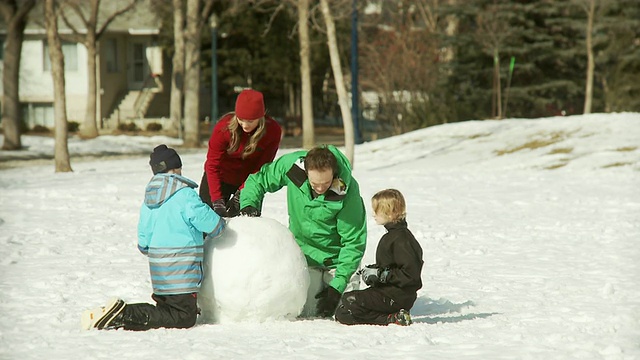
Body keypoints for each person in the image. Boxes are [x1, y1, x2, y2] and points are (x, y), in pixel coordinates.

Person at [81, 144, 225, 331]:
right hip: (181, 272)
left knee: (167, 311)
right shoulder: (185, 195)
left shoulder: (149, 198)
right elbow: (209, 222)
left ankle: (111, 314)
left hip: (159, 272)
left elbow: (144, 241)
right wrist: (221, 225)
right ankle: (124, 313)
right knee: (183, 317)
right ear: (176, 168)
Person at [238, 145, 367, 318]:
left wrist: (338, 286)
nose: (320, 189)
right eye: (315, 184)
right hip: (305, 257)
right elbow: (259, 180)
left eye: (326, 183)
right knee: (305, 312)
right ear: (306, 172)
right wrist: (249, 204)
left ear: (334, 173)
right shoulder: (292, 167)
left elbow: (353, 241)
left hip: (338, 262)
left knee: (343, 312)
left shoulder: (347, 190)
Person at [335, 189, 423, 326]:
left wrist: (382, 275)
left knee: (350, 299)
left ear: (390, 212)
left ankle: (392, 318)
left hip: (397, 296)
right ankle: (392, 317)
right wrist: (373, 272)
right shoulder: (391, 236)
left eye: (377, 210)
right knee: (342, 313)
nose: (373, 214)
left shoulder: (402, 239)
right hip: (386, 292)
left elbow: (412, 275)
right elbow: (391, 265)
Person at [200, 89, 282, 217]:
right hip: (220, 177)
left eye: (250, 121)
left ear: (261, 117)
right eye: (241, 119)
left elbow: (261, 167)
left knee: (246, 221)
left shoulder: (272, 131)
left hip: (249, 178)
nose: (244, 125)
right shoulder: (223, 128)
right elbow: (212, 164)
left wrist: (242, 192)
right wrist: (217, 200)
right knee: (207, 218)